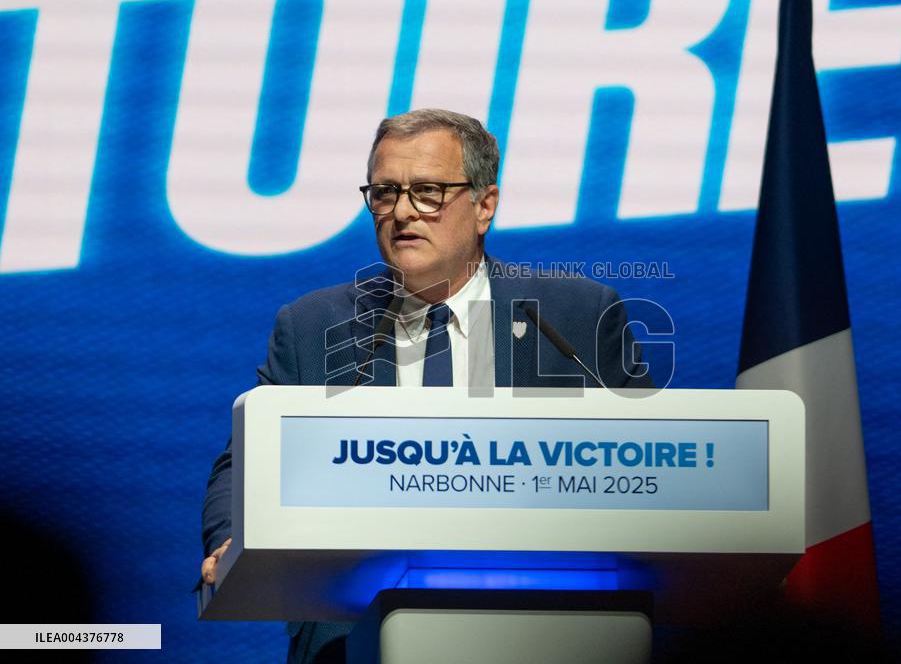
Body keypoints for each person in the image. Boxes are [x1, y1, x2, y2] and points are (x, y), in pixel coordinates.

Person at [200, 108, 655, 662]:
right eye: (385, 193)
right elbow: (244, 461)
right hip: (354, 634)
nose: (402, 213)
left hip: (549, 627)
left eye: (429, 191)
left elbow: (648, 461)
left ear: (485, 206)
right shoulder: (312, 326)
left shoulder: (576, 316)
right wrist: (229, 536)